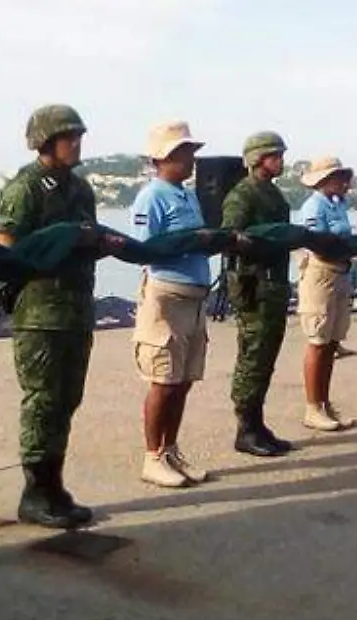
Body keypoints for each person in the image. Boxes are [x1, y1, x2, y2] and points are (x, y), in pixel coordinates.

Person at [0, 104, 124, 528]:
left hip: (75, 310)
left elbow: (90, 234)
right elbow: (7, 244)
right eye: (70, 137)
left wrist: (97, 242)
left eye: (78, 136)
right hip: (40, 313)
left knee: (67, 399)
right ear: (46, 141)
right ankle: (35, 491)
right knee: (42, 401)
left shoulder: (80, 189)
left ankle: (54, 484)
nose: (78, 144)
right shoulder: (27, 187)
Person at [131, 121, 224, 487]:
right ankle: (152, 455)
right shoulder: (151, 196)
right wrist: (189, 241)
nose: (191, 160)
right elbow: (146, 248)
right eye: (184, 153)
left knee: (183, 380)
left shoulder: (187, 195)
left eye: (191, 153)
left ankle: (170, 449)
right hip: (167, 297)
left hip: (194, 298)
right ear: (163, 158)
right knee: (163, 379)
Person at [222, 132, 295, 456]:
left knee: (266, 355)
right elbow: (231, 237)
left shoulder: (274, 195)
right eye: (274, 155)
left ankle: (258, 421)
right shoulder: (243, 194)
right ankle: (246, 427)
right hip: (254, 284)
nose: (280, 160)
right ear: (257, 158)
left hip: (275, 282)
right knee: (253, 355)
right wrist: (257, 241)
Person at [296, 157, 357, 430]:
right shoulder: (314, 206)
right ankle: (313, 406)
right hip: (321, 273)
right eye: (338, 177)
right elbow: (318, 242)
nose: (344, 182)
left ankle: (325, 402)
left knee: (332, 342)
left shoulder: (338, 204)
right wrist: (349, 245)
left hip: (341, 271)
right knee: (318, 341)